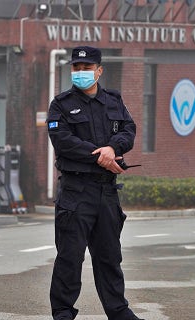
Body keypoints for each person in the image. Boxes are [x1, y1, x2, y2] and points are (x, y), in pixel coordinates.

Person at [46, 46, 143, 320]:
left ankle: (118, 311)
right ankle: (63, 313)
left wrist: (112, 148)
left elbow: (129, 130)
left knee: (110, 257)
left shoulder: (114, 101)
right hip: (76, 193)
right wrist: (101, 155)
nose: (80, 73)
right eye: (76, 68)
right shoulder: (61, 104)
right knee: (70, 258)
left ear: (99, 71)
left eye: (87, 68)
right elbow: (63, 142)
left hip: (107, 192)